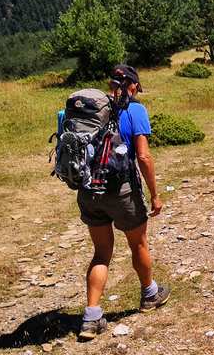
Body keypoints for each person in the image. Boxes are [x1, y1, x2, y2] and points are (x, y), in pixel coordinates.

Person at [77, 65, 170, 340]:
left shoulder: (91, 111)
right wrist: (154, 194)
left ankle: (91, 317)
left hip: (89, 190)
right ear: (132, 86)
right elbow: (143, 156)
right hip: (122, 190)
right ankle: (150, 294)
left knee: (101, 253)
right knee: (138, 243)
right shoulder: (135, 110)